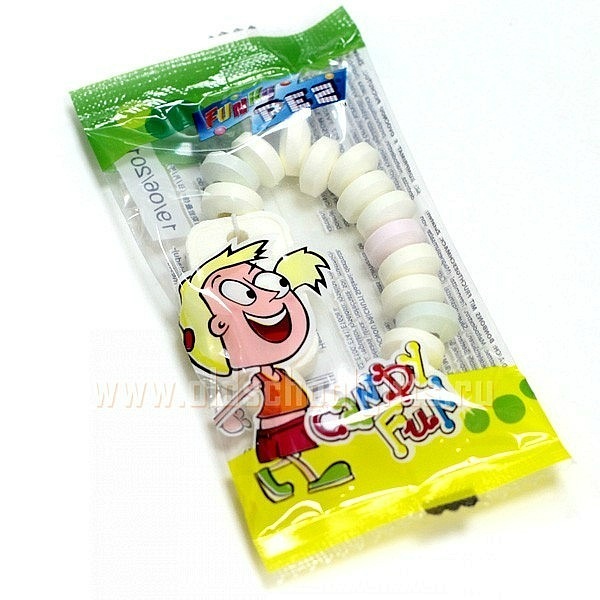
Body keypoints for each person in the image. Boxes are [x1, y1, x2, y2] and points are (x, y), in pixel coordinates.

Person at [179, 240, 353, 502]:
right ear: (219, 325)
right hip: (277, 419)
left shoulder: (281, 371)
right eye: (246, 294)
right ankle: (293, 477)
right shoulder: (257, 377)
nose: (268, 297)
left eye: (270, 283)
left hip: (291, 412)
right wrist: (225, 414)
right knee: (292, 451)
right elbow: (244, 394)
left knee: (294, 451)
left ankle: (276, 477)